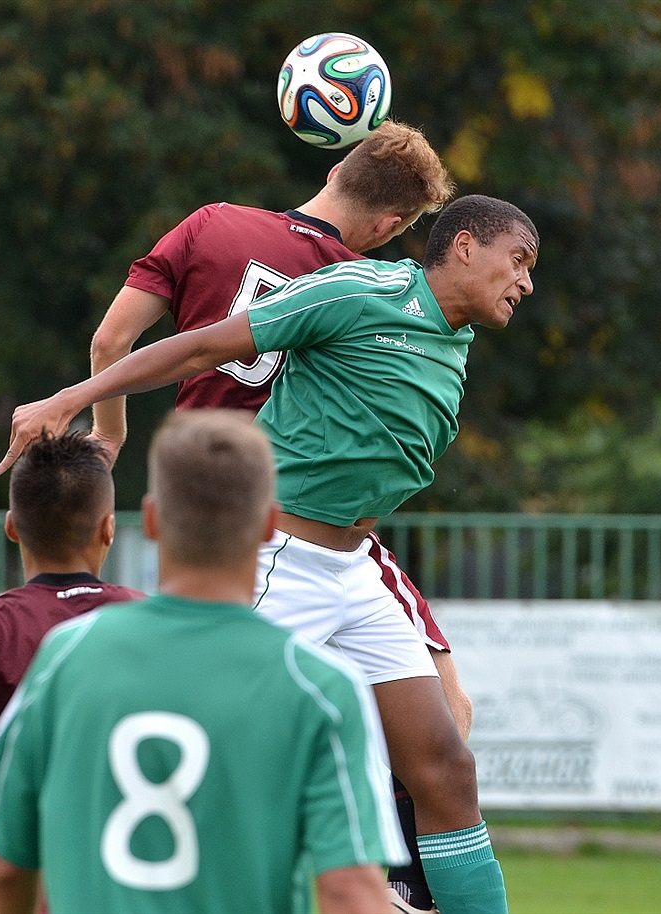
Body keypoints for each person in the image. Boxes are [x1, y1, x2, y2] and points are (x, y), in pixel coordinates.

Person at [0, 193, 540, 913]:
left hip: (354, 570)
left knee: (445, 769)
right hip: (280, 561)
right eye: (520, 261)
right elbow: (200, 347)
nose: (526, 283)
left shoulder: (454, 342)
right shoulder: (362, 289)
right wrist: (75, 396)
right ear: (464, 246)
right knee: (192, 754)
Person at [88, 119, 470, 913]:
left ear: (338, 161)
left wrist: (107, 438)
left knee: (207, 719)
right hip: (296, 512)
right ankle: (391, 888)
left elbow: (110, 341)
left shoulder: (212, 223)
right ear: (393, 225)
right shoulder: (365, 277)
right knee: (441, 720)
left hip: (199, 506)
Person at [0, 409, 409, 914]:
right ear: (270, 523)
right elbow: (349, 890)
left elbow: (6, 870)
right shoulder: (319, 685)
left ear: (152, 519)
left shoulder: (67, 655)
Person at [0, 431, 143, 911]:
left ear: (11, 526)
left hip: (10, 891)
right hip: (127, 889)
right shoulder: (154, 624)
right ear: (109, 528)